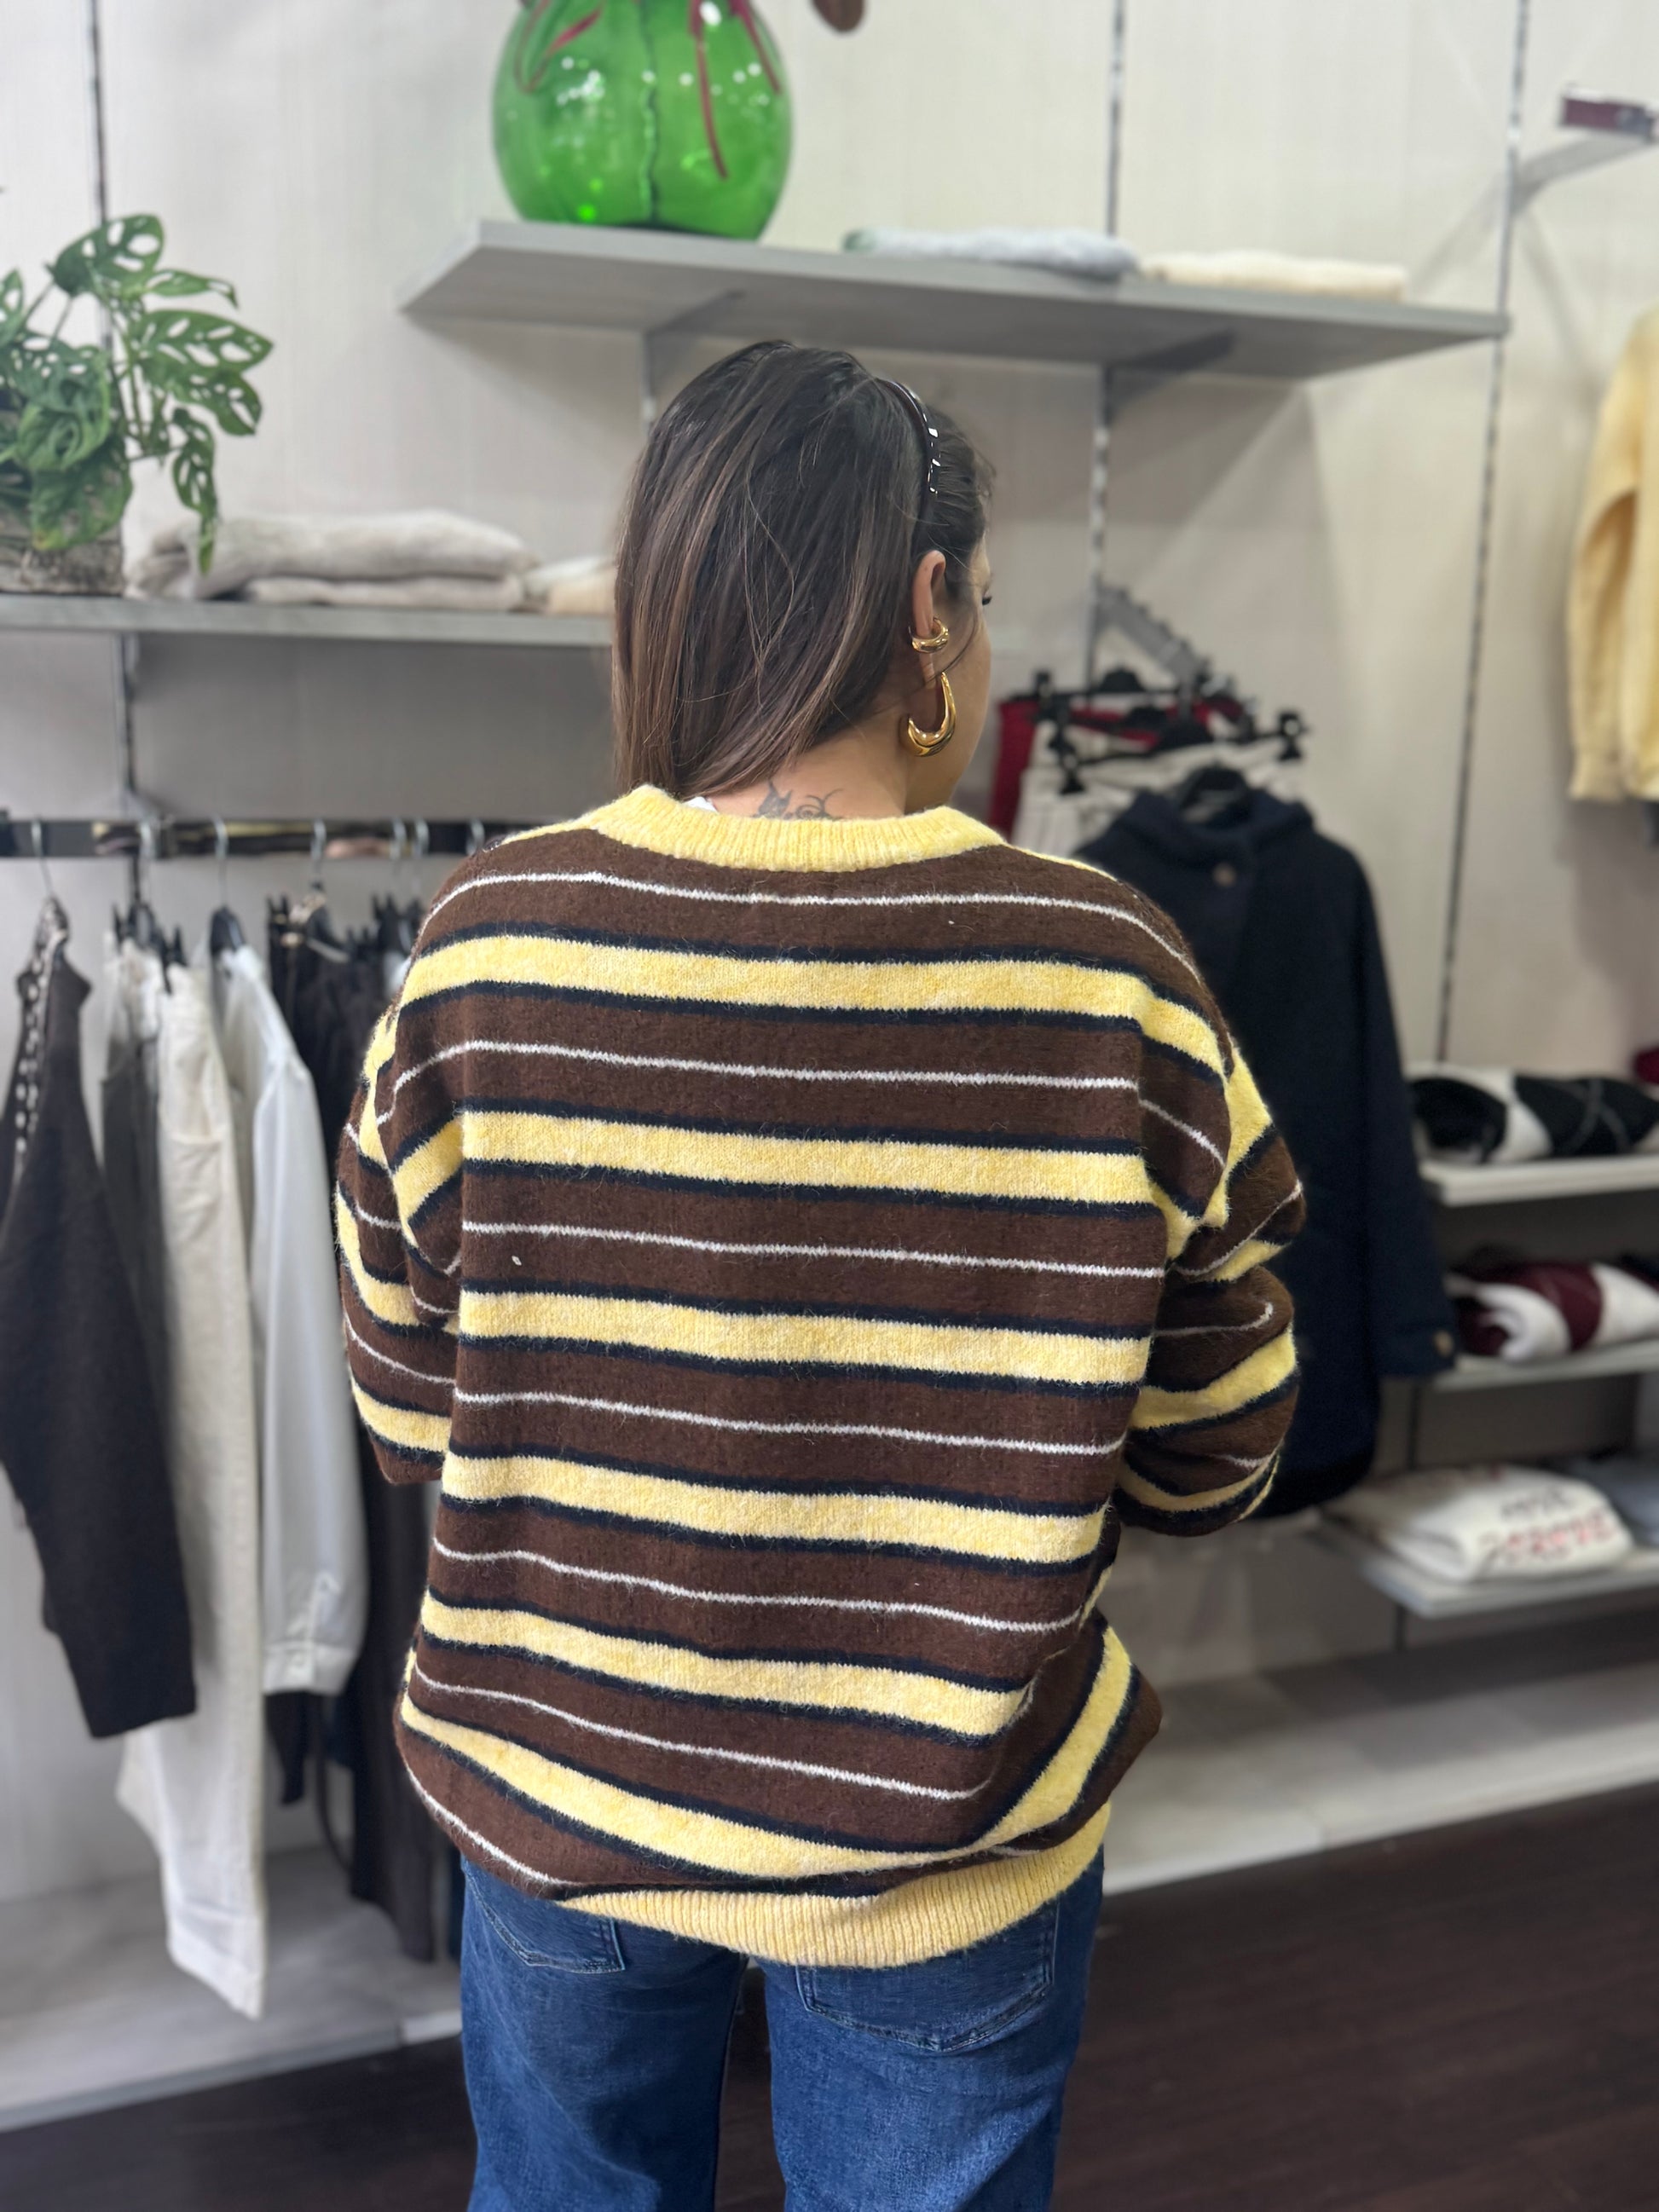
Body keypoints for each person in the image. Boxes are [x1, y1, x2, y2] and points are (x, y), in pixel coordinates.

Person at [337, 339, 1303, 2212]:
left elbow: (408, 1410)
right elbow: (1215, 1454)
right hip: (944, 1835)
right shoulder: (1104, 970)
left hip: (563, 1795)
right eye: (986, 598)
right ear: (929, 605)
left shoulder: (483, 947)